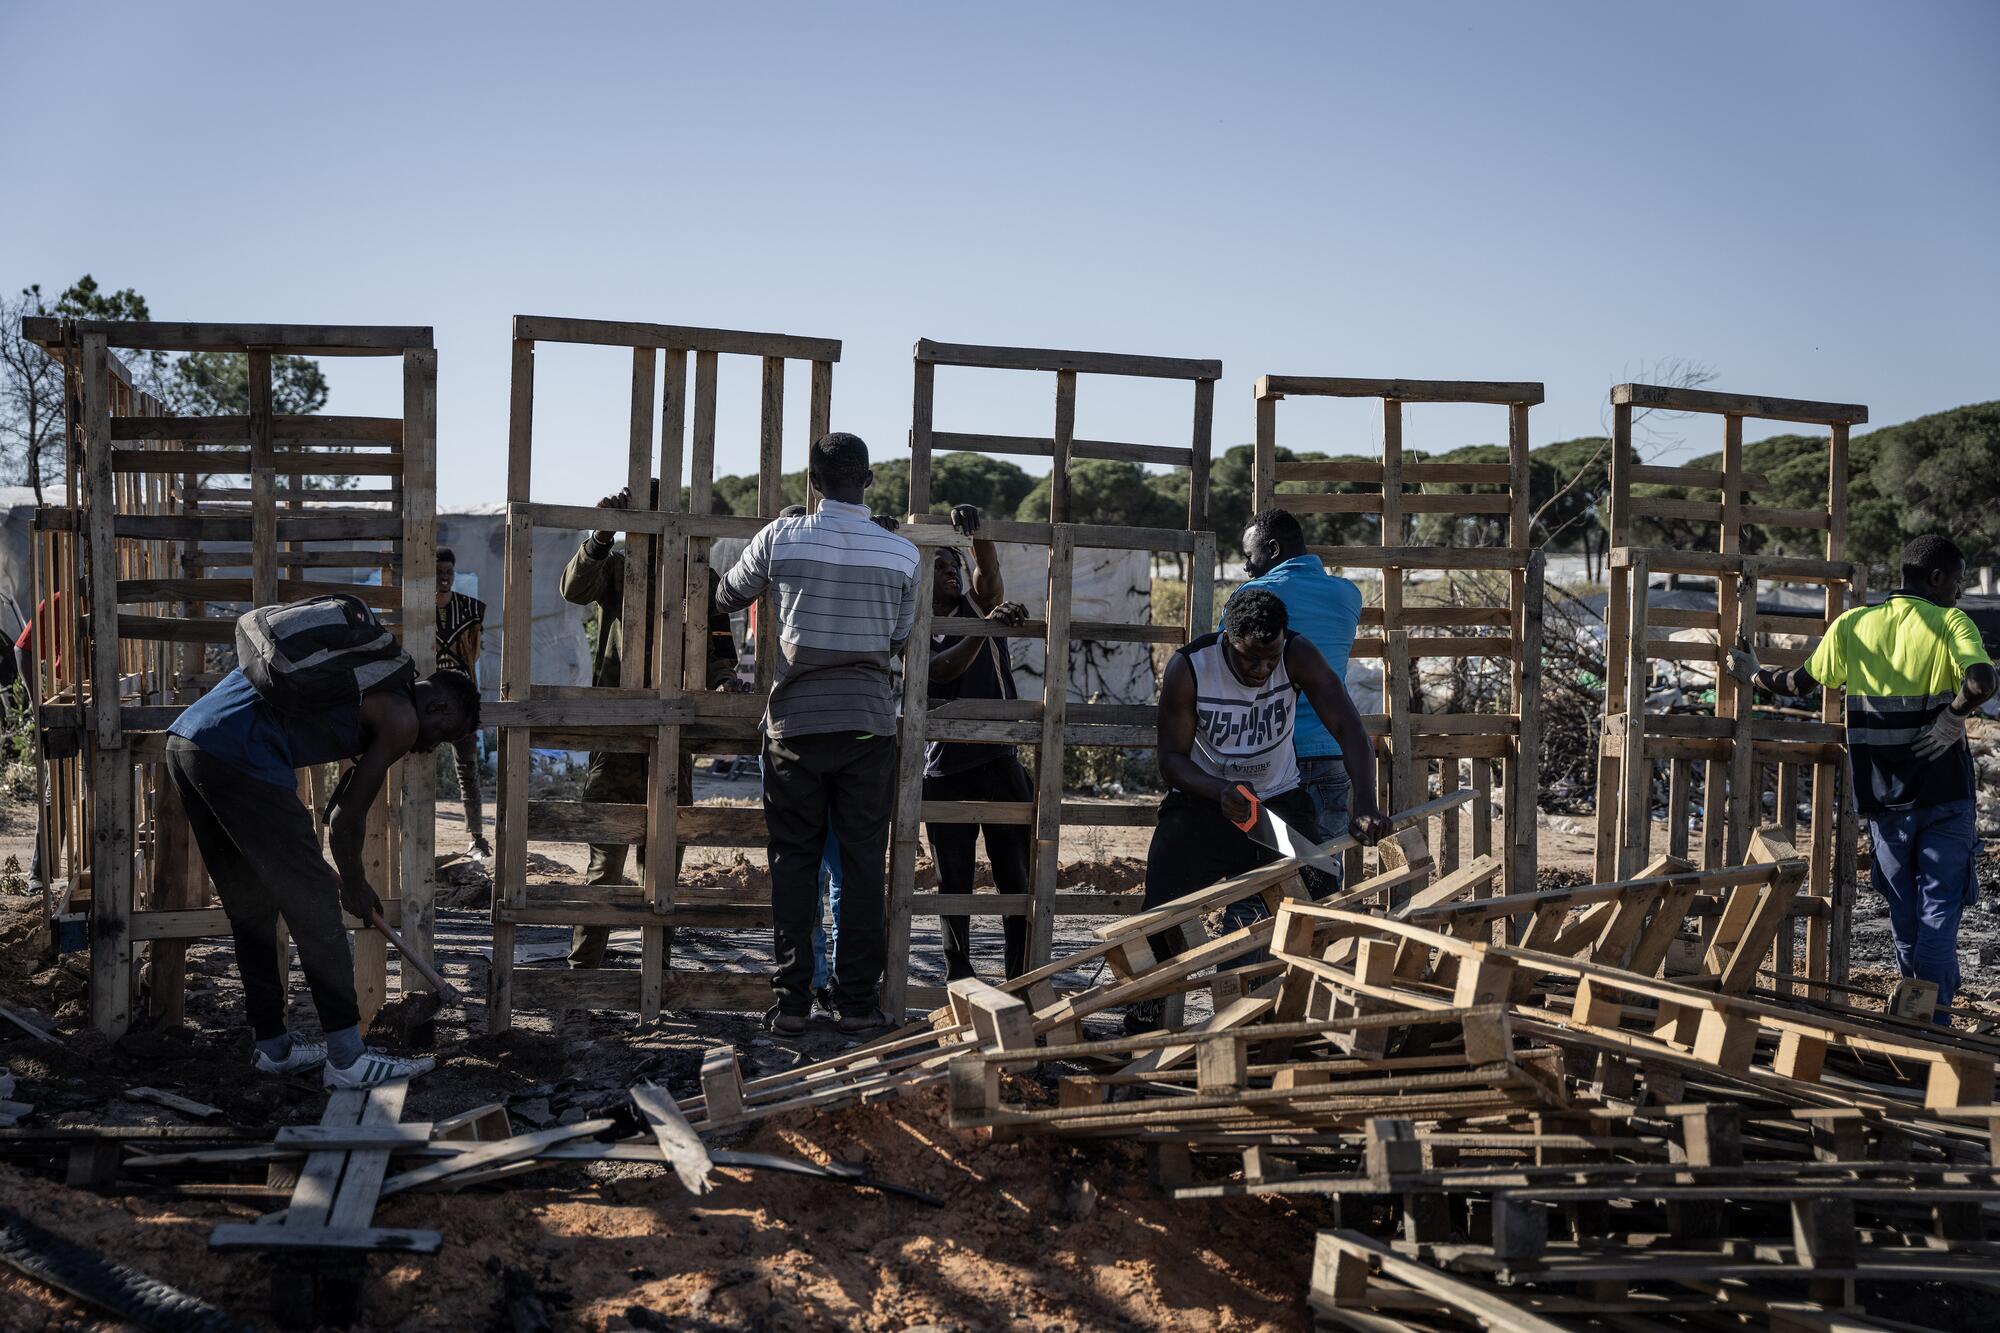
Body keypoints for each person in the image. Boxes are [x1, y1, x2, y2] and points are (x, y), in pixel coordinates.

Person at [165, 636, 480, 1087]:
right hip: (244, 755)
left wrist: (349, 872)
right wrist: (353, 883)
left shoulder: (366, 685)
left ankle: (272, 1049)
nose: (429, 749)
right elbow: (348, 822)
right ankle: (349, 1060)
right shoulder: (402, 717)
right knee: (317, 911)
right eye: (445, 737)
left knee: (251, 908)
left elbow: (337, 812)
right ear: (439, 709)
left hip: (188, 744)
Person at [714, 432, 918, 1036]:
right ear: (869, 481)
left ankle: (795, 1004)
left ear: (813, 481)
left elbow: (728, 593)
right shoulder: (901, 555)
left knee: (795, 863)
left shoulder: (782, 536)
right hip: (867, 727)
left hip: (796, 727)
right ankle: (857, 1003)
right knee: (861, 867)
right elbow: (897, 640)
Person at [1749, 534, 1996, 1018]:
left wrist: (1753, 674)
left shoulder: (1853, 625)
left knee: (1905, 911)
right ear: (1937, 578)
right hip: (1946, 793)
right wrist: (1953, 717)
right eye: (1960, 580)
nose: (1961, 592)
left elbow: (1799, 683)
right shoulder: (1950, 622)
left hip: (1884, 799)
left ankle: (1919, 1006)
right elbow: (1982, 681)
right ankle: (1931, 1014)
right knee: (1939, 908)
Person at [1130, 587, 1391, 1031]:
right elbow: (1170, 760)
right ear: (1229, 638)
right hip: (1205, 803)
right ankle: (1144, 1021)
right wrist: (1216, 790)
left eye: (1271, 659)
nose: (1263, 669)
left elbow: (1348, 726)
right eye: (1252, 658)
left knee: (1320, 884)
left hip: (1277, 803)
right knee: (1162, 911)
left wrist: (1365, 803)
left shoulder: (1295, 652)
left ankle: (1292, 1015)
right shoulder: (1190, 667)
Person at [562, 480, 738, 969]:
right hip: (618, 734)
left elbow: (721, 653)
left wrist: (724, 681)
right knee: (605, 862)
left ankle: (655, 968)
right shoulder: (620, 568)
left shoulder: (701, 578)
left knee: (663, 864)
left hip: (675, 737)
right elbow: (574, 589)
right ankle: (584, 965)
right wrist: (601, 535)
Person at [1226, 507, 1364, 893]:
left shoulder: (1253, 596)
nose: (1246, 567)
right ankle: (1317, 952)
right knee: (1321, 878)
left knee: (1257, 884)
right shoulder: (1348, 595)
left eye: (1250, 556)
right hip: (1331, 751)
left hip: (1269, 758)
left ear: (1271, 548)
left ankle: (1247, 954)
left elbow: (1227, 668)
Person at [925, 503, 1031, 981]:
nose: (952, 572)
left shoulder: (976, 604)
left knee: (1016, 879)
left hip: (998, 760)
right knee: (954, 884)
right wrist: (983, 631)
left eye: (954, 565)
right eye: (939, 566)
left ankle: (1021, 977)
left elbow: (988, 570)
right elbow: (941, 673)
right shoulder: (914, 628)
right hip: (945, 772)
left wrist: (978, 527)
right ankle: (959, 980)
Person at [435, 547, 490, 860]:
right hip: (425, 701)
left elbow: (476, 652)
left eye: (448, 573)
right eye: (439, 572)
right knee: (418, 768)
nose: (444, 578)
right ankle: (415, 831)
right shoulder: (416, 609)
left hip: (462, 700)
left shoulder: (471, 610)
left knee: (468, 769)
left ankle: (477, 836)